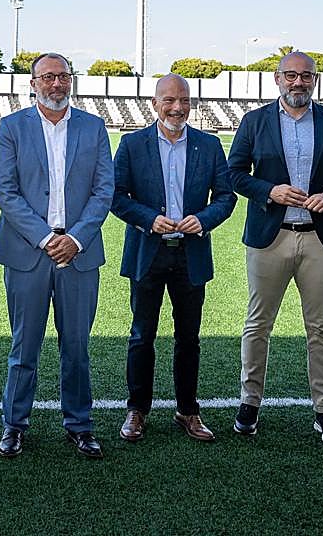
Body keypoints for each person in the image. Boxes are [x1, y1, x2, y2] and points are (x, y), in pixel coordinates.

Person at [227, 51, 323, 445]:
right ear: (277, 79)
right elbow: (234, 173)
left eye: (306, 76)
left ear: (315, 80)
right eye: (290, 75)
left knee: (321, 328)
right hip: (269, 237)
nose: (298, 82)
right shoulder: (254, 122)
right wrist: (269, 190)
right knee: (258, 324)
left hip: (320, 239)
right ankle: (249, 403)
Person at [0, 52, 114, 459]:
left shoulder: (94, 128)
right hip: (29, 252)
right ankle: (14, 424)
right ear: (33, 83)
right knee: (24, 345)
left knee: (76, 346)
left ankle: (79, 425)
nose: (56, 84)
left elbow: (103, 191)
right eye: (47, 77)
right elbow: (5, 191)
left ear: (71, 80)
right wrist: (46, 238)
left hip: (78, 253)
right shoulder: (12, 127)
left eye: (62, 76)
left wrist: (75, 238)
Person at [110, 74, 236, 443]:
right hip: (147, 254)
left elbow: (226, 196)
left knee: (189, 339)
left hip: (190, 255)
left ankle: (188, 411)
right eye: (169, 100)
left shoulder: (209, 145)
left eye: (183, 101)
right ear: (155, 103)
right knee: (141, 336)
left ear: (191, 104)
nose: (177, 108)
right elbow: (116, 196)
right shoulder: (132, 144)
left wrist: (205, 219)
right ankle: (137, 410)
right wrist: (149, 219)